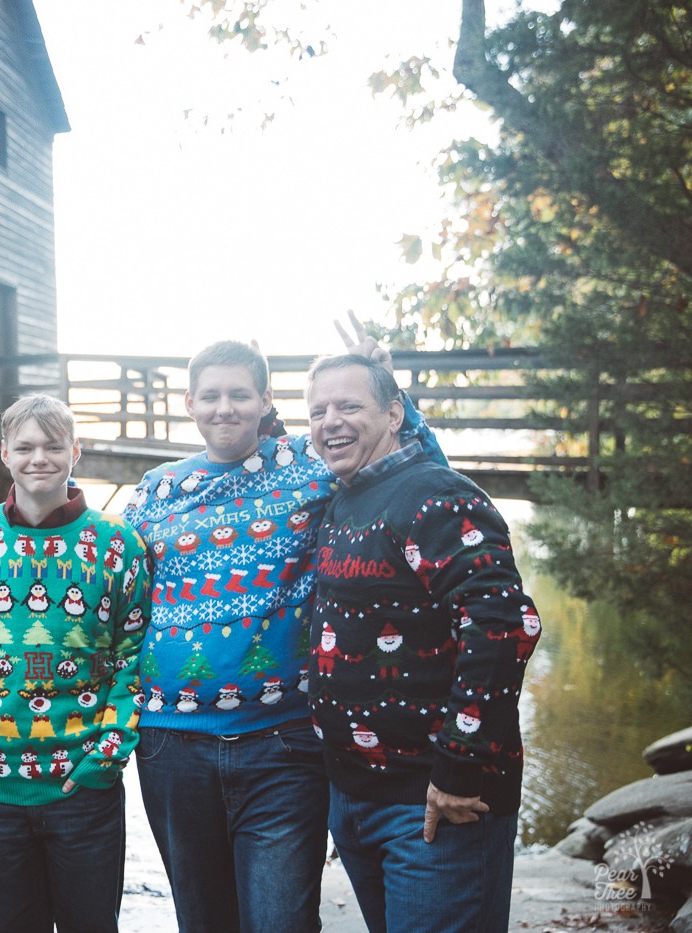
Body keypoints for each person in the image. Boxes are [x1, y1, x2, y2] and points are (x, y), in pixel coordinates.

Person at [121, 319, 444, 932]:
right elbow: (113, 591)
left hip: (283, 744)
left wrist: (385, 386)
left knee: (281, 919)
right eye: (210, 396)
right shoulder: (157, 490)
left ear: (266, 401)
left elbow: (417, 471)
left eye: (240, 394)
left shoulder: (307, 463)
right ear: (189, 404)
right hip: (170, 746)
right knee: (203, 920)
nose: (225, 408)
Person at [305, 354, 539, 932]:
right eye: (318, 411)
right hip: (357, 798)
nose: (330, 421)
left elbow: (505, 626)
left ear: (394, 413)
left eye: (349, 405)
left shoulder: (436, 495)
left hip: (436, 804)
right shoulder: (344, 498)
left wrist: (458, 769)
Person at [0, 394, 152, 932]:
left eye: (53, 446)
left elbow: (133, 658)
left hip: (83, 790)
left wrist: (105, 758)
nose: (40, 459)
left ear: (74, 451)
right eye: (26, 447)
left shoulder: (118, 545)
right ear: (5, 452)